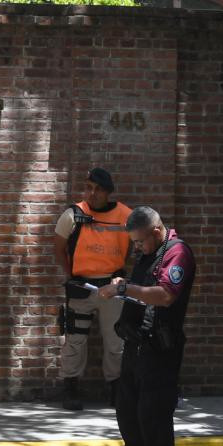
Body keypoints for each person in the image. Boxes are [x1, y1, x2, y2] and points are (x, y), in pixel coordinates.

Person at [97, 206, 196, 446]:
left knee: (153, 418)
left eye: (139, 242)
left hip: (159, 350)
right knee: (128, 413)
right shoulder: (150, 253)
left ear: (155, 231)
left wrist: (126, 288)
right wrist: (123, 286)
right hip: (135, 345)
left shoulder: (177, 253)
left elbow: (165, 295)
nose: (136, 248)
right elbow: (141, 289)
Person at [51, 167, 132, 410]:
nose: (91, 193)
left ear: (108, 192)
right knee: (74, 340)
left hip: (112, 286)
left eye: (97, 189)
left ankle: (117, 389)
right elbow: (59, 248)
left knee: (116, 341)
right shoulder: (73, 215)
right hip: (81, 287)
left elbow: (132, 247)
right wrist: (72, 274)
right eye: (88, 187)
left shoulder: (125, 215)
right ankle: (71, 388)